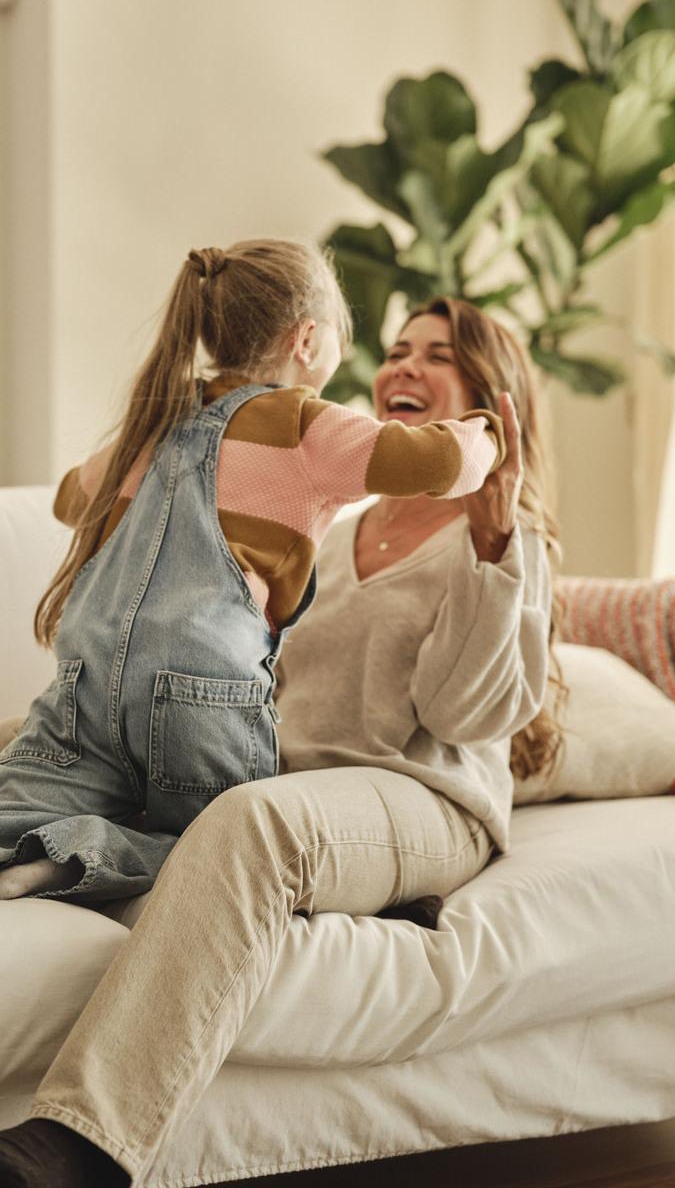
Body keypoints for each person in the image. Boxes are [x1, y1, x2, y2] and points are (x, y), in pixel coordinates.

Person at [0, 296, 561, 1188]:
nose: (403, 367)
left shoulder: (501, 540)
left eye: (437, 355)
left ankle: (82, 1145)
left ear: (486, 393)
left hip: (418, 796)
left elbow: (465, 715)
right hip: (289, 776)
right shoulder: (335, 525)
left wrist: (493, 548)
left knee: (256, 824)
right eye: (398, 349)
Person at [0, 242, 505, 903]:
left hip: (84, 685)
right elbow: (439, 464)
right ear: (306, 340)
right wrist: (490, 431)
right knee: (229, 851)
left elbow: (71, 499)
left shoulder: (155, 422)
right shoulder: (302, 425)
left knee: (13, 813)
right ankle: (83, 858)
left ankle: (28, 844)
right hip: (200, 695)